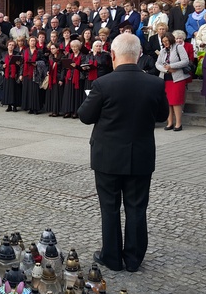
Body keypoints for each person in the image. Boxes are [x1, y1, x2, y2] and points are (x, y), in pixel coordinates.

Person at [78, 33, 169, 273]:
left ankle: (111, 257)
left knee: (109, 207)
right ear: (139, 55)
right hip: (140, 155)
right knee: (137, 207)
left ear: (113, 55)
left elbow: (85, 116)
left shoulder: (102, 84)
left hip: (107, 157)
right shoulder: (155, 83)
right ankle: (133, 259)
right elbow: (162, 116)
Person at [155, 32, 190, 131]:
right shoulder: (162, 51)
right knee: (168, 102)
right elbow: (157, 64)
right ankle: (169, 123)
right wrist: (166, 69)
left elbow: (185, 61)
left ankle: (178, 123)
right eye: (163, 41)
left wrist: (172, 66)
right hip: (165, 78)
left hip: (177, 79)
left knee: (176, 101)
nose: (165, 43)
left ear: (171, 39)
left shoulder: (178, 48)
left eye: (166, 41)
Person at [20, 36, 41, 114]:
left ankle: (35, 108)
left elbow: (43, 62)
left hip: (35, 73)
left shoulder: (39, 51)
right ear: (28, 42)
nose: (32, 42)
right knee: (28, 90)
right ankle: (29, 107)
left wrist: (37, 64)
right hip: (26, 73)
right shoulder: (25, 51)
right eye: (31, 41)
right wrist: (21, 74)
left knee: (34, 91)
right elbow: (22, 63)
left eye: (34, 41)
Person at [44, 44, 64, 116]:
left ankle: (56, 111)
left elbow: (63, 69)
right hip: (51, 77)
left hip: (58, 77)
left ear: (57, 49)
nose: (52, 50)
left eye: (53, 48)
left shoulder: (62, 57)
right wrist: (48, 71)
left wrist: (61, 79)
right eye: (51, 49)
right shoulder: (50, 56)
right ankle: (53, 110)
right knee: (52, 94)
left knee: (57, 94)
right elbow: (49, 65)